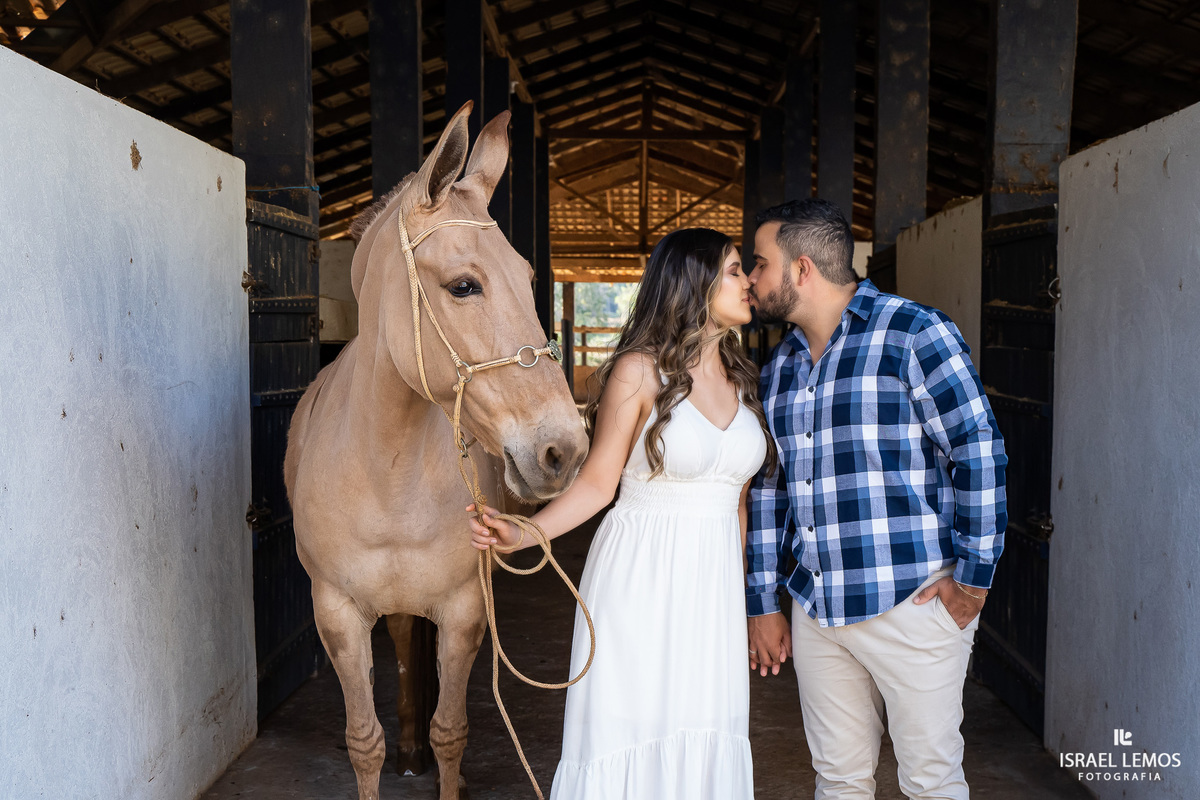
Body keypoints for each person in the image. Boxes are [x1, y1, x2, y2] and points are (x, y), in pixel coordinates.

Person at [467, 227, 771, 800]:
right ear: (694, 282)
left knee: (707, 725)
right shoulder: (638, 371)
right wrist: (525, 532)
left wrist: (748, 598)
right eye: (734, 270)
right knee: (630, 730)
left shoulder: (741, 375)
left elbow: (738, 503)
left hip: (714, 591)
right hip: (642, 578)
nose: (748, 282)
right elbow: (599, 484)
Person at [744, 199, 1007, 800]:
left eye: (760, 264)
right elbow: (769, 490)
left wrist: (973, 578)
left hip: (910, 602)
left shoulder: (915, 333)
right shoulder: (779, 366)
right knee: (837, 781)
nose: (751, 279)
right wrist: (763, 601)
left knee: (930, 782)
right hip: (818, 611)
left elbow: (977, 450)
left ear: (802, 269)